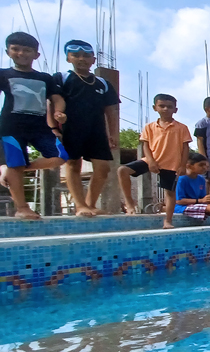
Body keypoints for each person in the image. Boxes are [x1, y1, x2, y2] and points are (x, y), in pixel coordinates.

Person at [0, 32, 67, 220]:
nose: (21, 53)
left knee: (61, 156)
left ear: (36, 55)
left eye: (27, 50)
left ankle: (13, 168)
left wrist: (58, 112)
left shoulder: (45, 78)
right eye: (16, 49)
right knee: (15, 162)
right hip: (11, 127)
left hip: (40, 127)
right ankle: (22, 207)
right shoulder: (4, 74)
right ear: (8, 52)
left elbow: (57, 98)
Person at [53, 39, 118, 216]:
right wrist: (54, 126)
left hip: (96, 130)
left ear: (93, 60)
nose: (81, 59)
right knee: (73, 164)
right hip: (71, 128)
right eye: (76, 55)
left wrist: (113, 134)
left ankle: (90, 204)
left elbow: (111, 111)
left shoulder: (102, 83)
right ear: (68, 58)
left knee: (103, 168)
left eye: (86, 55)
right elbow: (52, 102)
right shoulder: (62, 78)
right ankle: (80, 205)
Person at [118, 93, 191, 229]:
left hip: (171, 164)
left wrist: (182, 165)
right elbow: (145, 144)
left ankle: (168, 221)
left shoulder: (182, 128)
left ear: (175, 109)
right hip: (152, 160)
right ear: (154, 107)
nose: (165, 109)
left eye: (169, 107)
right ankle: (129, 203)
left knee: (169, 193)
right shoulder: (149, 127)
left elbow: (185, 148)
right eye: (162, 106)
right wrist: (151, 161)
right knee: (122, 170)